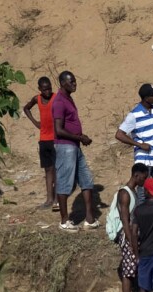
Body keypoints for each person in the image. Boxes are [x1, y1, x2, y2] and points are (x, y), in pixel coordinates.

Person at [52, 70, 97, 230]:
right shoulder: (59, 102)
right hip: (65, 146)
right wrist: (80, 138)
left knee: (86, 180)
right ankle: (64, 221)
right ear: (63, 83)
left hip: (74, 146)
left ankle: (90, 218)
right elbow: (58, 129)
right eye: (71, 82)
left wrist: (80, 138)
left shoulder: (68, 99)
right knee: (64, 183)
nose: (74, 84)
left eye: (75, 81)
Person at [116, 83, 153, 204]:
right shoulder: (134, 115)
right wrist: (139, 145)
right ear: (145, 97)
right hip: (144, 160)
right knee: (142, 193)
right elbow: (119, 134)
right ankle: (141, 221)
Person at [112, 163, 149, 292]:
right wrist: (130, 241)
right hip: (128, 236)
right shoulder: (125, 193)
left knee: (133, 268)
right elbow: (125, 220)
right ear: (136, 175)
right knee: (128, 272)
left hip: (133, 236)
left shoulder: (132, 192)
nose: (144, 181)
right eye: (143, 177)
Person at [21, 76, 58, 210]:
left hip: (55, 138)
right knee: (48, 169)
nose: (48, 91)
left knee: (56, 169)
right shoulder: (37, 99)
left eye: (49, 88)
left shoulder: (56, 98)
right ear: (39, 89)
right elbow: (26, 108)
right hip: (43, 139)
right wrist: (35, 122)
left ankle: (57, 199)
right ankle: (49, 199)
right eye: (44, 89)